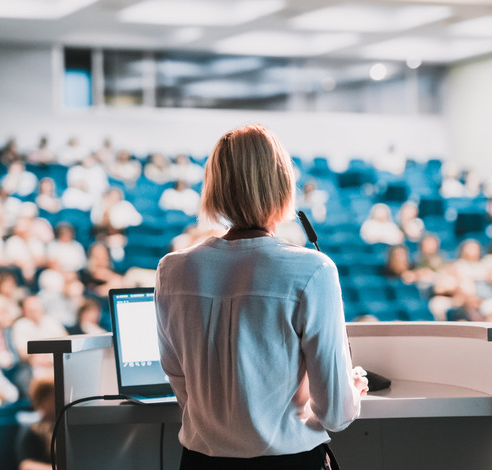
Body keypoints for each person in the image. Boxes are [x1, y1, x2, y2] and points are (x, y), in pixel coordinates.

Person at [155, 124, 365, 468]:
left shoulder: (171, 269)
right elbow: (336, 415)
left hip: (200, 462)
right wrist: (353, 390)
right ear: (282, 184)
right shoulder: (312, 270)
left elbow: (180, 381)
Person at [18, 378, 56, 470]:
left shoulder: (66, 427)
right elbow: (26, 466)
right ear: (43, 400)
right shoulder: (32, 430)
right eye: (54, 397)